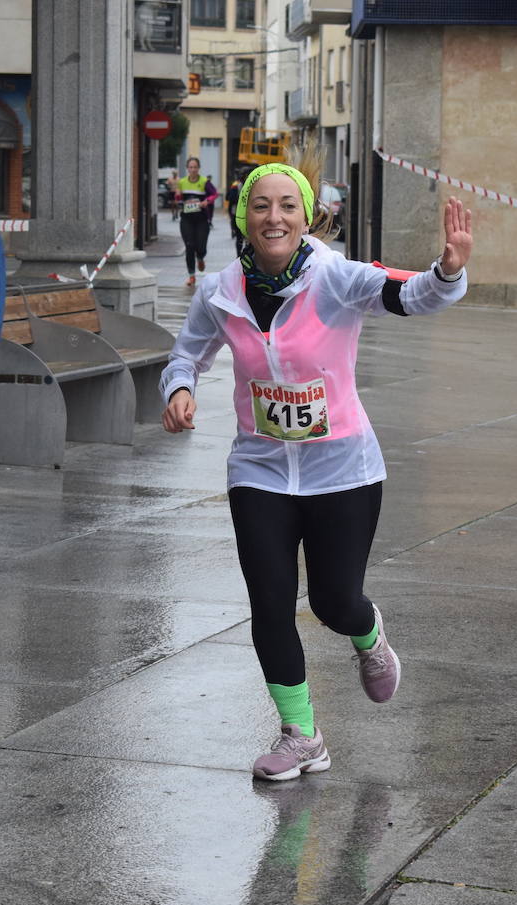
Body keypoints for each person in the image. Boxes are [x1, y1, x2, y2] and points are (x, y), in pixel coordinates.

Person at [159, 154, 473, 782]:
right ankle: (301, 734)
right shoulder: (220, 291)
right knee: (270, 602)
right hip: (260, 470)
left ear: (306, 217)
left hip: (342, 470)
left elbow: (408, 294)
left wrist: (447, 271)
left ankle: (368, 633)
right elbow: (185, 356)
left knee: (333, 601)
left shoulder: (336, 278)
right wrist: (179, 390)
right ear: (243, 216)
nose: (273, 217)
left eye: (287, 206)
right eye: (260, 206)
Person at [174, 156, 217, 286]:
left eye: (195, 167)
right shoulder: (182, 182)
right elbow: (178, 199)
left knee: (201, 246)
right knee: (189, 246)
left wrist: (206, 201)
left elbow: (214, 193)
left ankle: (200, 257)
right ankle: (191, 275)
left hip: (201, 219)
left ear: (198, 168)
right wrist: (177, 195)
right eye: (191, 167)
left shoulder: (204, 182)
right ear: (187, 168)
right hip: (187, 219)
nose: (193, 170)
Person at [225, 176, 243, 258]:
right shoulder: (253, 184)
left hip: (236, 213)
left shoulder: (235, 185)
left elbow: (229, 198)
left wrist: (229, 211)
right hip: (240, 213)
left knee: (239, 237)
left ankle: (238, 255)